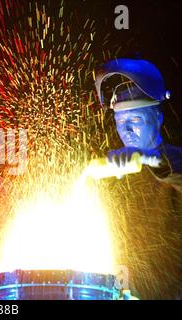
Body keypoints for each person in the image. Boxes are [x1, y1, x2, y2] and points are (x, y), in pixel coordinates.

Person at [95, 58, 182, 299]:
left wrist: (149, 158)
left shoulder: (174, 165)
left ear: (158, 117)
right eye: (120, 122)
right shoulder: (109, 175)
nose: (127, 131)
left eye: (135, 121)